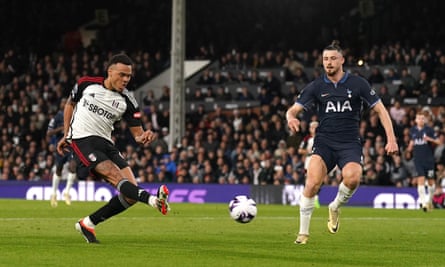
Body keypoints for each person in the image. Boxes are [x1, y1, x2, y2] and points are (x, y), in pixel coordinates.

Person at [286, 40, 399, 245]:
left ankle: (335, 206)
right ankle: (303, 234)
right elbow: (292, 110)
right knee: (312, 184)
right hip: (324, 142)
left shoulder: (358, 84)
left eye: (332, 59)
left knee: (353, 178)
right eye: (325, 59)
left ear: (342, 60)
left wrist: (391, 138)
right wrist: (291, 118)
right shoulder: (317, 86)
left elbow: (381, 110)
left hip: (349, 142)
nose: (328, 63)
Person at [57, 53, 170, 243]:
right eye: (122, 74)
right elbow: (70, 104)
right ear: (110, 71)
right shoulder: (86, 83)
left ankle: (88, 223)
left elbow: (138, 135)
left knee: (131, 194)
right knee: (114, 175)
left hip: (106, 143)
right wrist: (66, 134)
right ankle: (153, 201)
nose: (126, 79)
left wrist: (145, 137)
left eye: (128, 76)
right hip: (82, 140)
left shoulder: (128, 102)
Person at [406, 112, 441, 212]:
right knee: (420, 180)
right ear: (416, 120)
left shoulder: (429, 130)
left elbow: (439, 142)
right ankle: (423, 203)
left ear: (425, 120)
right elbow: (412, 142)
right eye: (419, 118)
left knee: (431, 182)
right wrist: (409, 148)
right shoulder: (412, 131)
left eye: (422, 118)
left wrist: (430, 139)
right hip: (418, 160)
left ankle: (429, 201)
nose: (421, 120)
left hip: (429, 160)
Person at [47, 98, 77, 207]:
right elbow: (49, 132)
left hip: (71, 146)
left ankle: (67, 192)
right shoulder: (57, 117)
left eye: (67, 103)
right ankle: (54, 193)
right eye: (63, 103)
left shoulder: (75, 115)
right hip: (61, 146)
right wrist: (60, 129)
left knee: (73, 166)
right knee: (58, 169)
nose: (65, 104)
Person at [298, 120, 320, 208]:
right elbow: (300, 150)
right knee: (308, 179)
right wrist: (308, 151)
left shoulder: (322, 138)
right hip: (309, 159)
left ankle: (315, 198)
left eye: (316, 127)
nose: (314, 129)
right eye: (312, 127)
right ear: (310, 129)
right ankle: (306, 199)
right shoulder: (307, 138)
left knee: (318, 179)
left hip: (319, 159)